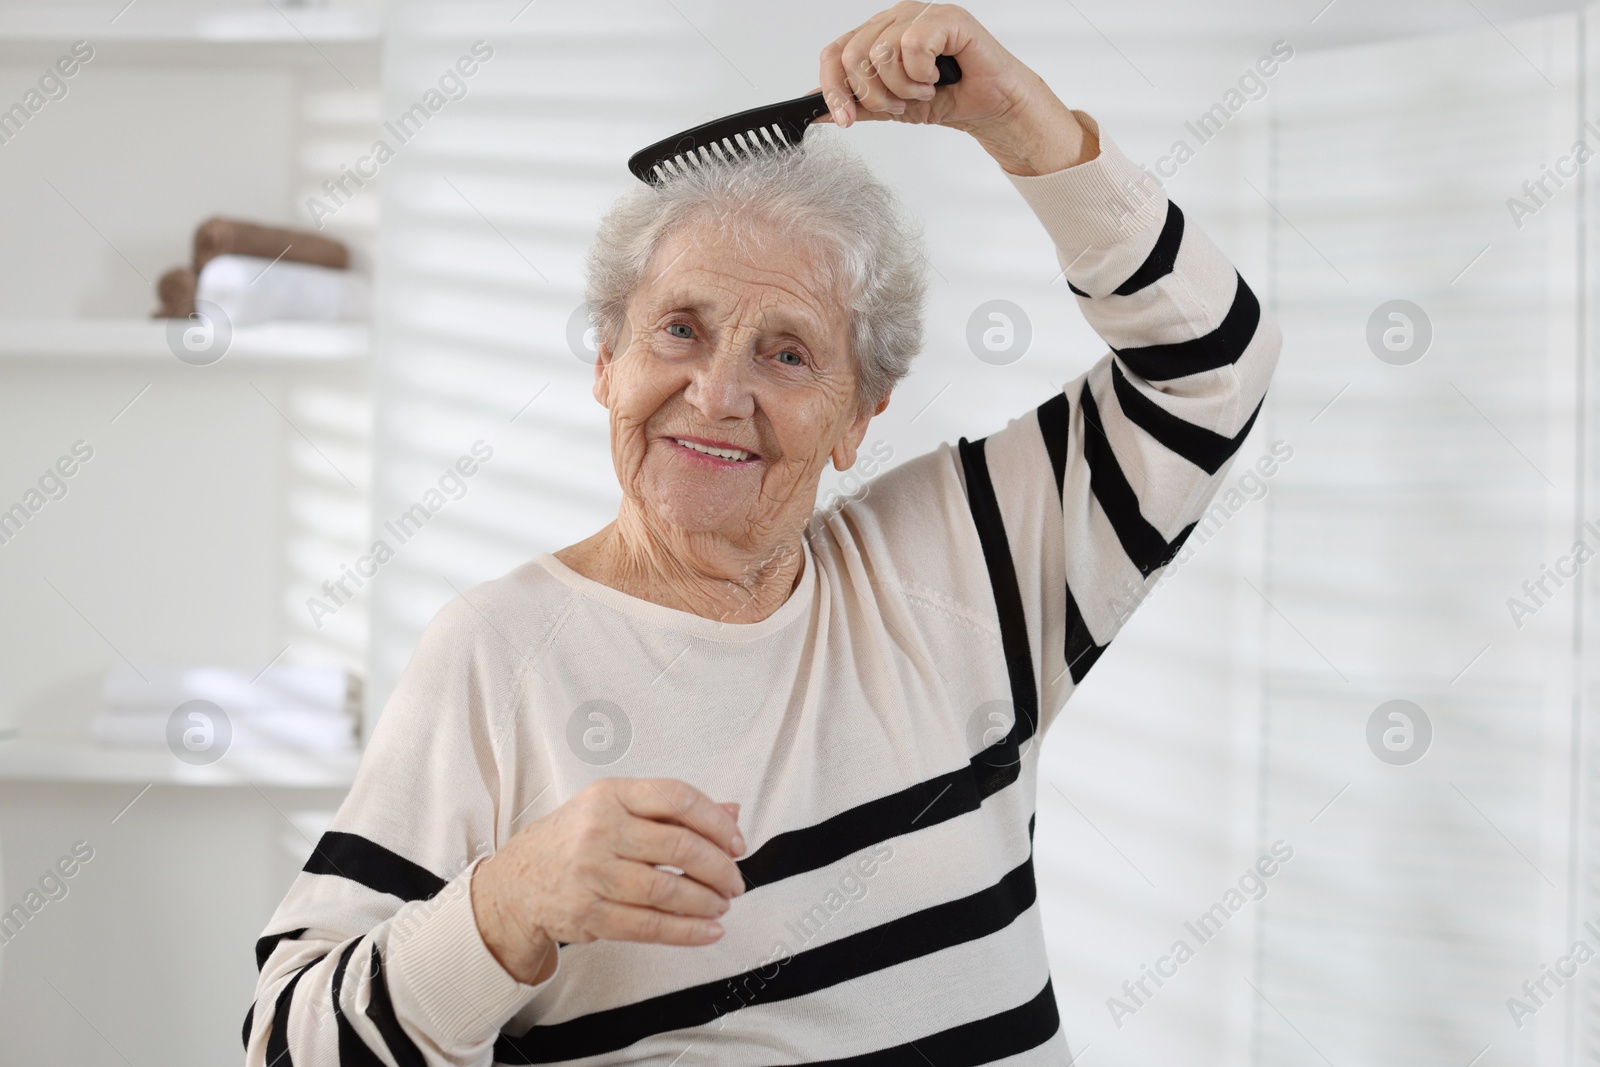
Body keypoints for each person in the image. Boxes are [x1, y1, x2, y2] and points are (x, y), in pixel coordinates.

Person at [244, 3, 1281, 1063]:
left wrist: (1021, 121)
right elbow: (289, 1043)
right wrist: (504, 904)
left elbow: (1213, 370)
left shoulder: (962, 558)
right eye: (680, 329)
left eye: (787, 353)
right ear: (607, 361)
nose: (717, 391)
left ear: (857, 414)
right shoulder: (495, 655)